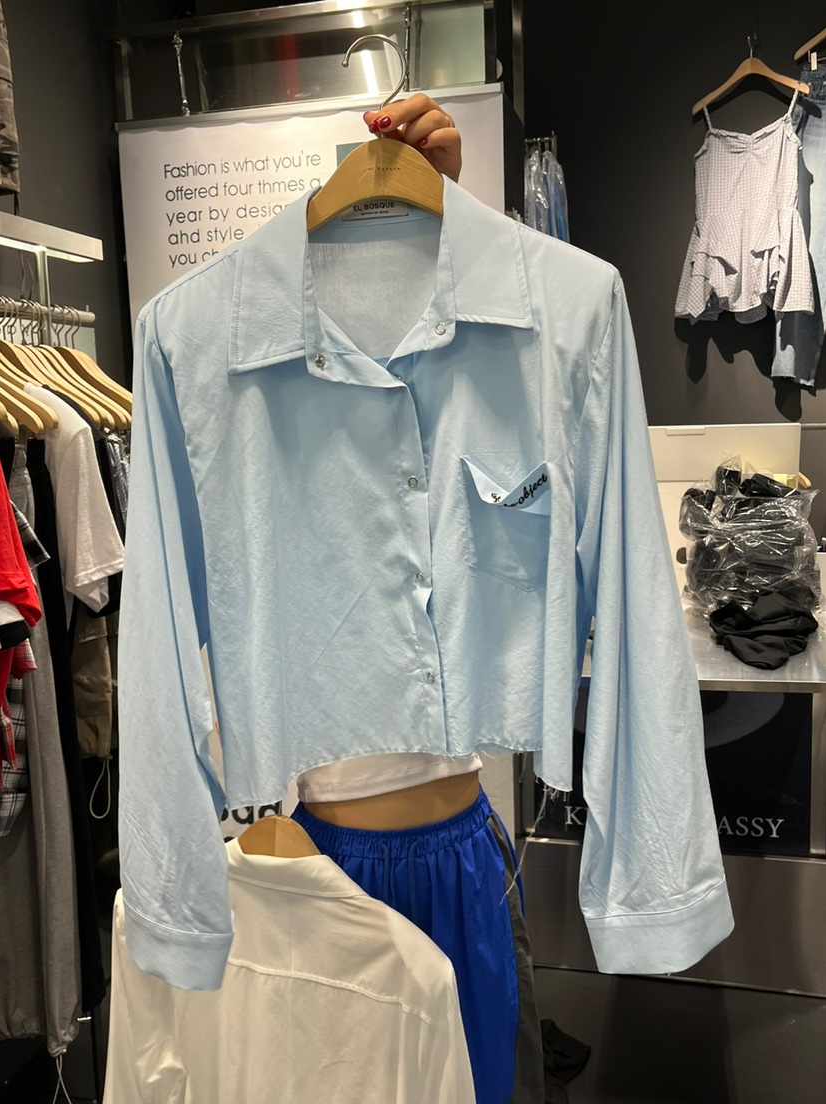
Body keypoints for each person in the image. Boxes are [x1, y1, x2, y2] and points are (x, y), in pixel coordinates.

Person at [290, 94, 545, 1104]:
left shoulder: (471, 379)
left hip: (460, 846)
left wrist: (456, 213)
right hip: (325, 863)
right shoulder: (260, 387)